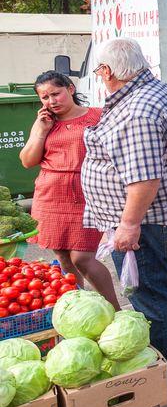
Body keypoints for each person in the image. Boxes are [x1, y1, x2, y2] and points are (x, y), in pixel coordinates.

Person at [81, 38, 167, 391]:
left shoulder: (138, 111)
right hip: (163, 213)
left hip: (149, 221)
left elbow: (145, 177)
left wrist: (128, 225)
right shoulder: (159, 91)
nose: (100, 76)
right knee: (157, 289)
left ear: (110, 71)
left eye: (100, 70)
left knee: (152, 296)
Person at [18, 72, 120, 308]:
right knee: (63, 257)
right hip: (50, 195)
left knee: (83, 257)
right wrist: (42, 131)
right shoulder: (44, 122)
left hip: (88, 192)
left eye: (56, 93)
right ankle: (78, 308)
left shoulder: (98, 116)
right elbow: (27, 160)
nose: (51, 101)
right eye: (44, 97)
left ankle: (115, 309)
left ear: (70, 89)